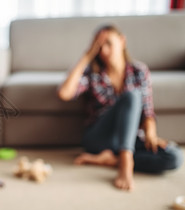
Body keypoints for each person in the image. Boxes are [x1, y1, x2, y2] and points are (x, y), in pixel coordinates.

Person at [57, 24, 183, 191]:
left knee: (173, 157)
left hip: (129, 139)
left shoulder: (139, 71)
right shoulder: (93, 74)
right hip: (99, 138)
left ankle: (111, 160)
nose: (104, 51)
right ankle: (125, 162)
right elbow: (65, 93)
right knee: (131, 96)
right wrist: (86, 56)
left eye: (108, 43)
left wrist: (151, 135)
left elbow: (147, 111)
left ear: (122, 41)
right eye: (99, 46)